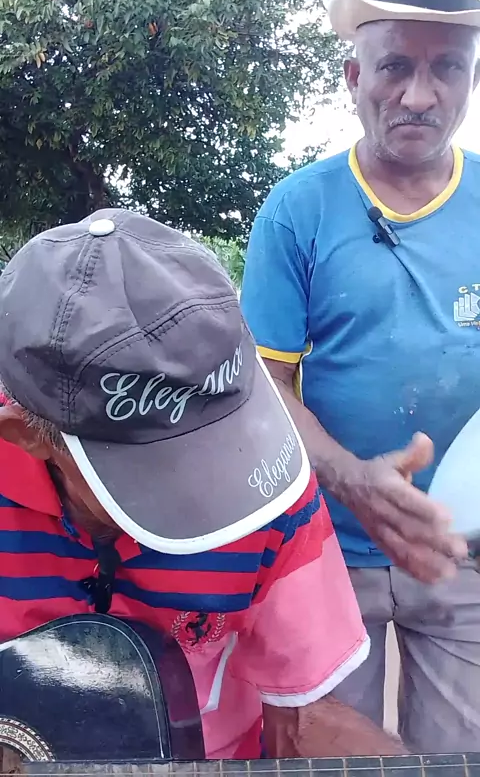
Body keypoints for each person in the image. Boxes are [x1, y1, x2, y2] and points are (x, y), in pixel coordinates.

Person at [0, 208, 405, 763]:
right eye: (154, 467)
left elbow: (301, 715)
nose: (203, 488)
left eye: (212, 439)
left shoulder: (267, 486)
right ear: (28, 437)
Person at [241, 0, 480, 753]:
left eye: (447, 68)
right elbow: (263, 384)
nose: (419, 95)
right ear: (353, 77)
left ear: (471, 80)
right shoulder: (298, 210)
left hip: (461, 554)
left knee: (460, 758)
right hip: (324, 549)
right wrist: (351, 479)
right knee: (332, 756)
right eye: (394, 67)